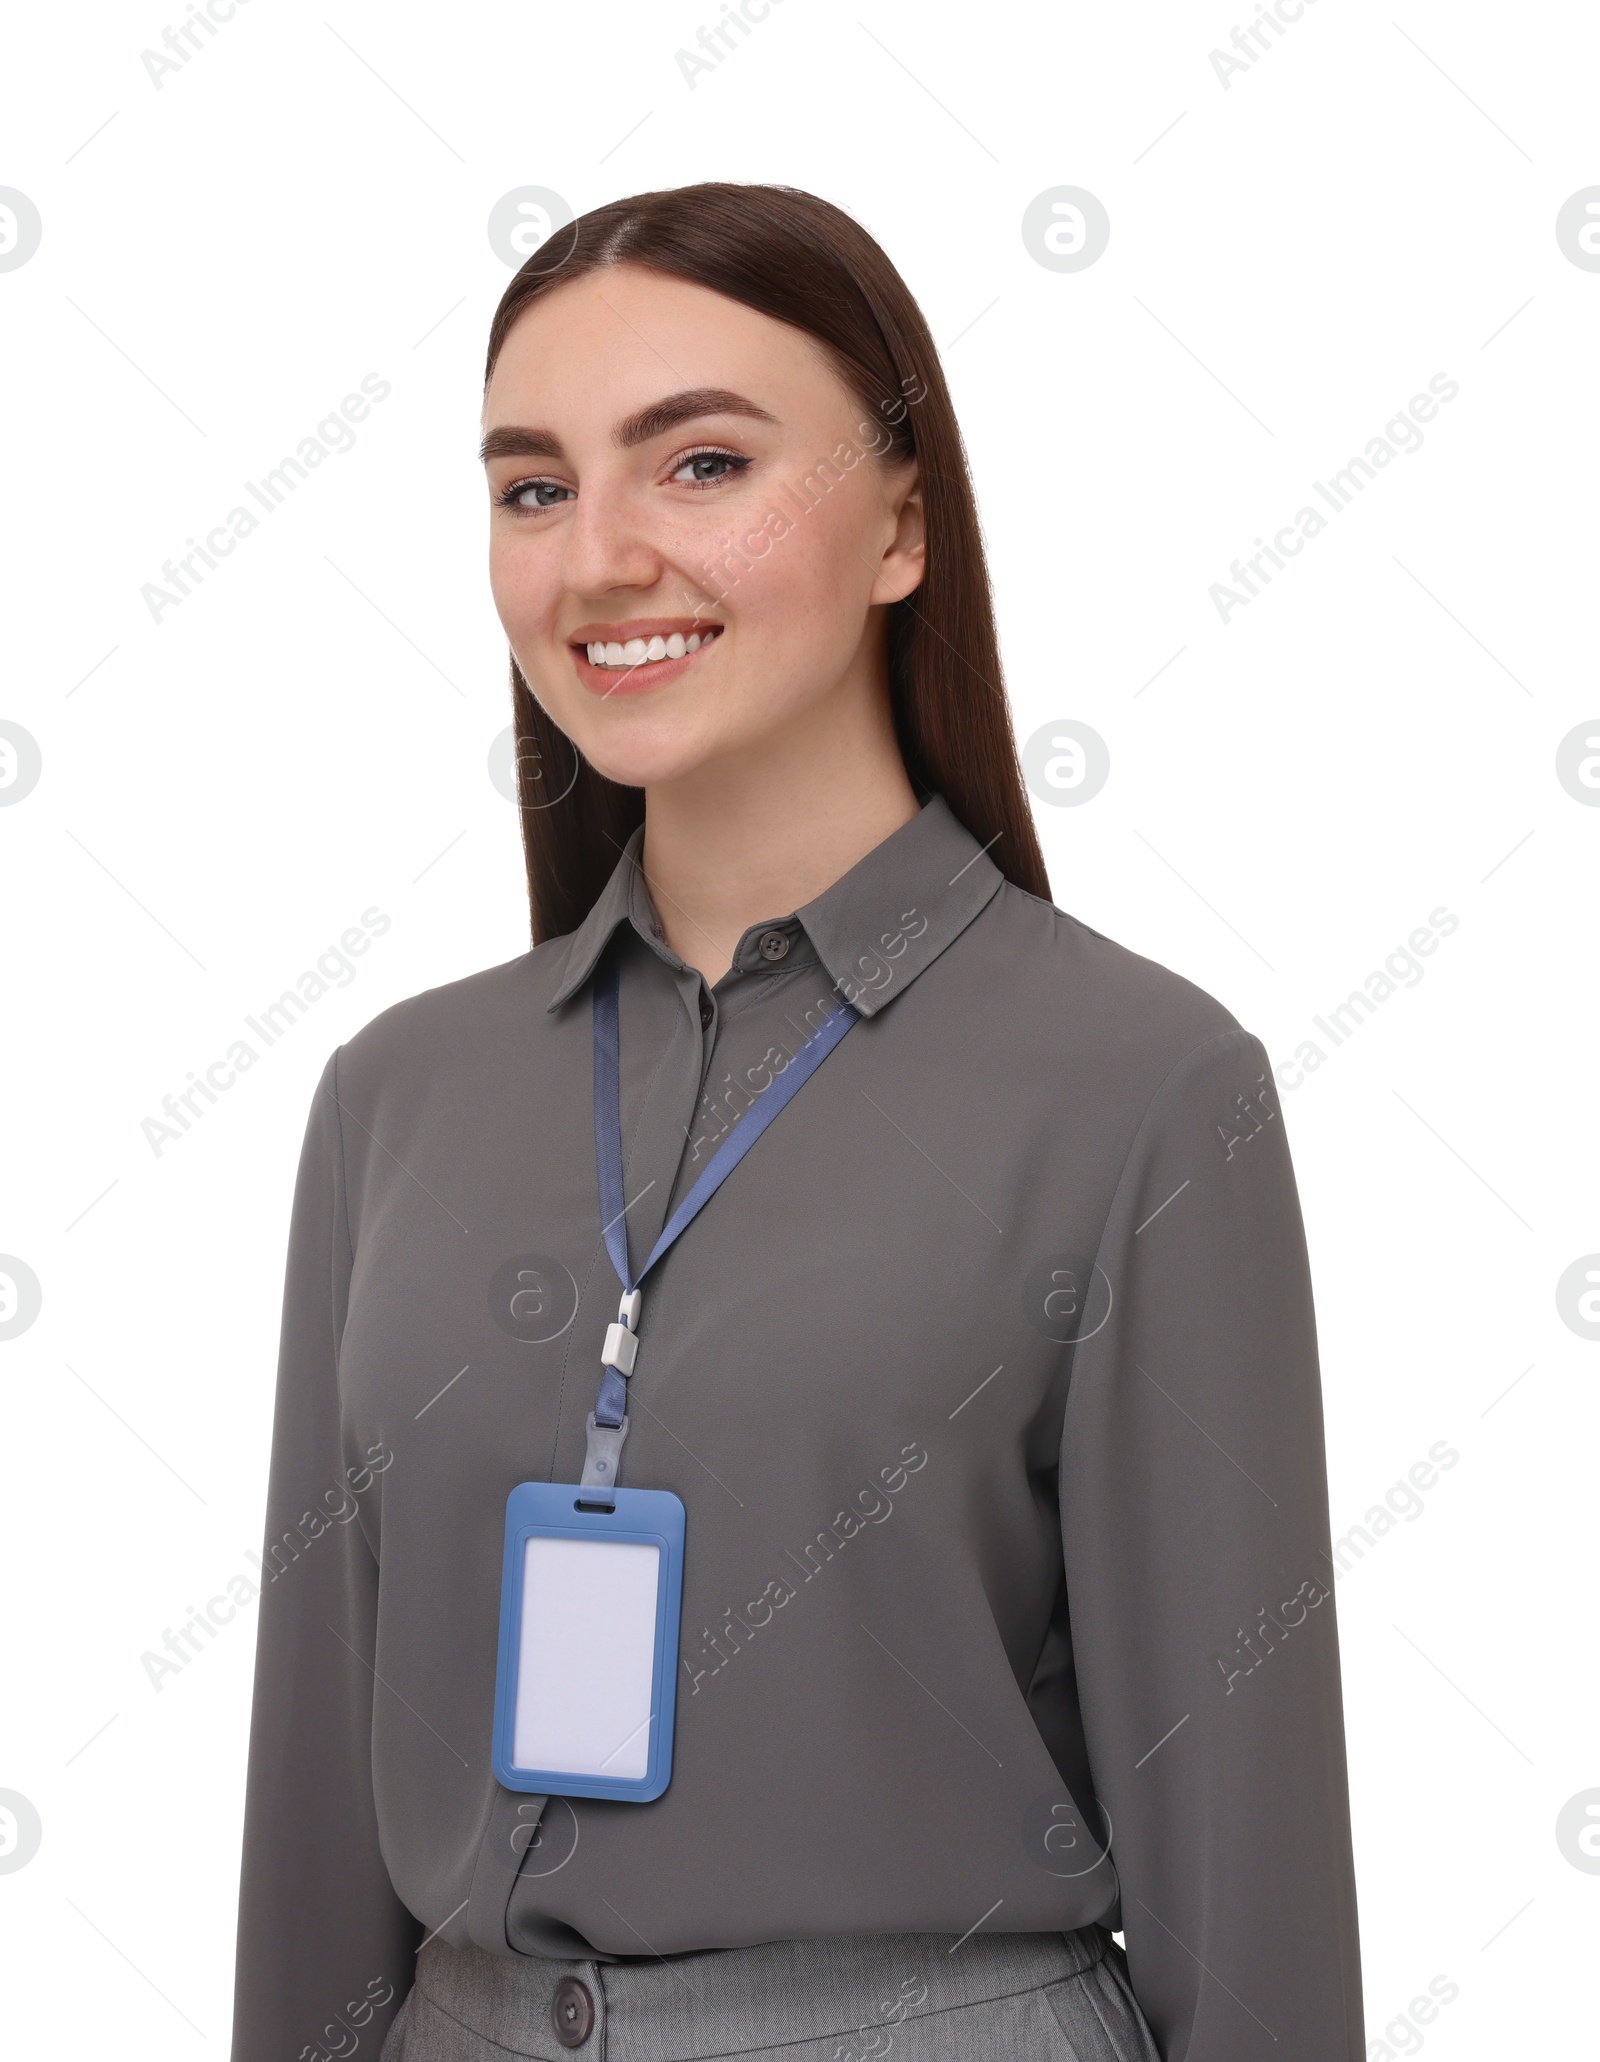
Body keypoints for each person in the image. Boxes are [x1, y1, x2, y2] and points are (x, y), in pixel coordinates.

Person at [231, 182, 1363, 2062]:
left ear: (903, 523)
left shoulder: (1141, 1086)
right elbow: (312, 1831)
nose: (597, 557)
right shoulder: (395, 1097)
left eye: (701, 463)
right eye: (531, 487)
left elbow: (1243, 1866)